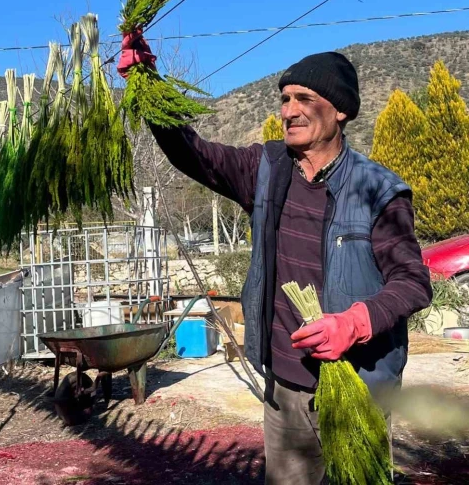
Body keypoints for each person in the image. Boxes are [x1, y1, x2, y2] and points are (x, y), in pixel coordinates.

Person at [117, 34, 433, 484]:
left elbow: (413, 282)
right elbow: (194, 154)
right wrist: (148, 88)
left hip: (359, 386)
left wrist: (354, 323)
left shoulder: (377, 189)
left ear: (340, 110)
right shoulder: (265, 168)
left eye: (304, 98)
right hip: (286, 386)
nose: (288, 110)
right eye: (284, 99)